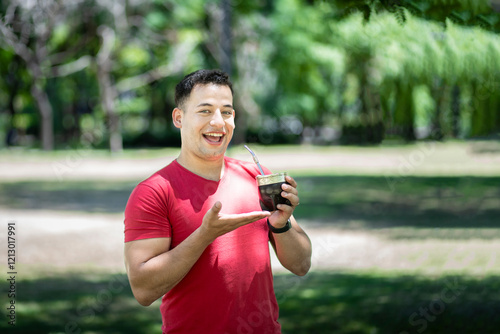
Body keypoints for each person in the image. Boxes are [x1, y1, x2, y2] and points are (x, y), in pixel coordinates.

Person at [124, 69, 312, 334]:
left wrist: (281, 225)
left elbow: (302, 265)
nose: (218, 122)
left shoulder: (256, 176)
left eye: (226, 112)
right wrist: (205, 236)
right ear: (179, 118)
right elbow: (143, 289)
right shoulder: (153, 192)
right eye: (205, 111)